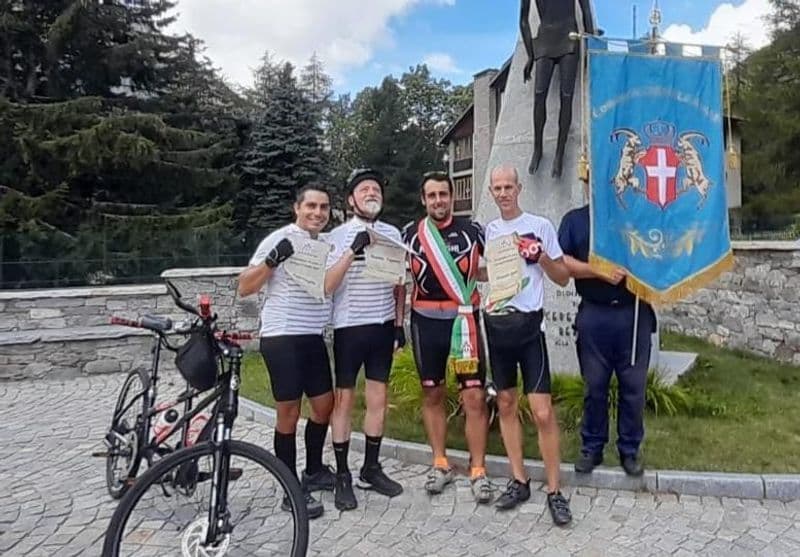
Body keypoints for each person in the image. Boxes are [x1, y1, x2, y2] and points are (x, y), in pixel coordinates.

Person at [237, 184, 335, 519]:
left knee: (324, 406)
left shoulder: (326, 245)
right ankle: (289, 486)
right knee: (289, 413)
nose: (317, 213)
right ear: (297, 208)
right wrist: (272, 260)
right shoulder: (281, 238)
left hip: (312, 336)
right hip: (282, 336)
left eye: (323, 207)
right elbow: (245, 287)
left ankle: (313, 470)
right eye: (311, 206)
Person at [482, 165, 573, 525]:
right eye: (497, 188)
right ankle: (519, 480)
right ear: (491, 192)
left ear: (519, 188)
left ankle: (555, 490)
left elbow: (563, 278)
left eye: (508, 186)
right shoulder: (488, 231)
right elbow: (482, 273)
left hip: (529, 328)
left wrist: (541, 257)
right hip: (498, 325)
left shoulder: (541, 226)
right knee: (505, 404)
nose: (503, 193)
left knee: (542, 412)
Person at [402, 171, 492, 504]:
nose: (438, 201)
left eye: (443, 194)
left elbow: (493, 266)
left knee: (473, 397)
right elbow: (395, 276)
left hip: (464, 321)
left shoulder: (473, 231)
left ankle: (478, 469)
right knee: (433, 393)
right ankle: (440, 462)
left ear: (452, 197)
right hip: (426, 323)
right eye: (432, 196)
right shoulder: (410, 234)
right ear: (423, 200)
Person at [557, 176, 656, 477]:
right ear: (589, 184)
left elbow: (661, 255)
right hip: (595, 315)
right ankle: (592, 448)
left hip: (633, 314)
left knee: (633, 389)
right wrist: (596, 271)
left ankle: (629, 450)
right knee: (595, 387)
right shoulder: (575, 220)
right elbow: (560, 261)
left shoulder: (638, 218)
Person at [323, 168, 406, 511]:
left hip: (382, 323)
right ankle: (342, 473)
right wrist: (351, 252)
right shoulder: (336, 236)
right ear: (351, 199)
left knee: (378, 399)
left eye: (376, 188)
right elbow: (327, 284)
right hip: (348, 326)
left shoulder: (391, 232)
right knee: (344, 400)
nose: (372, 192)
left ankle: (370, 468)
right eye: (364, 189)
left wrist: (400, 323)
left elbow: (400, 281)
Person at [519, 0, 597, 178]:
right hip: (545, 38)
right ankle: (538, 147)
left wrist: (589, 47)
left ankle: (559, 152)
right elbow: (523, 19)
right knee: (539, 94)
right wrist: (530, 54)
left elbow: (586, 11)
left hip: (569, 37)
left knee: (566, 95)